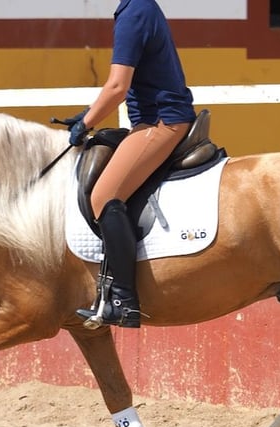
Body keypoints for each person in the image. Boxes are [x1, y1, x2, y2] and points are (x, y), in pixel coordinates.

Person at [64, 0, 196, 329]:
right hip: (151, 121)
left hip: (161, 123)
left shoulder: (134, 11)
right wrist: (86, 115)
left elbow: (118, 86)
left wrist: (85, 124)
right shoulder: (139, 7)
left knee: (105, 197)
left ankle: (122, 299)